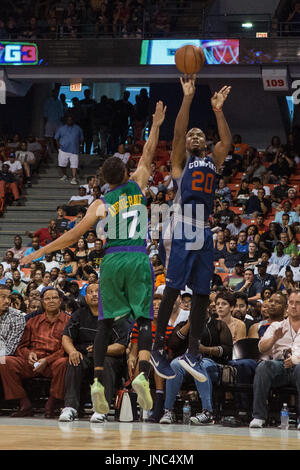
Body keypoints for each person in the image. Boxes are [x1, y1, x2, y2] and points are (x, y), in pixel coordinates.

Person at [21, 100, 167, 415]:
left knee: (105, 322)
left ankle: (98, 381)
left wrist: (40, 252)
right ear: (126, 172)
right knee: (143, 320)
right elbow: (149, 152)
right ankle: (142, 375)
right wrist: (155, 123)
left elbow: (72, 236)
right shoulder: (137, 185)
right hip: (138, 256)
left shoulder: (100, 203)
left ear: (104, 179)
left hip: (112, 259)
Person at [151, 75, 232, 382]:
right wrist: (187, 98)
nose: (195, 137)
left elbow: (226, 140)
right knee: (173, 286)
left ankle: (193, 353)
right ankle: (158, 347)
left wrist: (218, 110)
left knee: (202, 292)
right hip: (181, 225)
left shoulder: (214, 160)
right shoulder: (179, 163)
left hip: (203, 229)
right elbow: (179, 131)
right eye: (192, 136)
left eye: (200, 135)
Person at [58, 283, 131, 423]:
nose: (94, 294)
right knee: (74, 360)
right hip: (85, 354)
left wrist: (101, 350)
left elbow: (121, 346)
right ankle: (70, 407)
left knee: (105, 361)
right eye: (90, 292)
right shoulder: (79, 314)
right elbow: (66, 337)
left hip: (109, 356)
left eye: (98, 291)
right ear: (85, 297)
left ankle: (100, 410)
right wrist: (72, 351)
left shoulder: (116, 316)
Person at [0, 287, 70, 417]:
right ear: (42, 302)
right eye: (47, 299)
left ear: (60, 301)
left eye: (54, 298)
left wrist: (47, 360)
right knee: (5, 362)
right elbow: (21, 346)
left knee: (64, 363)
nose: (51, 301)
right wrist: (29, 355)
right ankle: (23, 402)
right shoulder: (33, 321)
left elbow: (66, 348)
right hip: (32, 361)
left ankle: (52, 402)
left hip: (53, 362)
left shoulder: (69, 321)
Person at [159, 308, 232, 425]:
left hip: (211, 363)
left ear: (206, 307)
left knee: (199, 366)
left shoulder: (218, 325)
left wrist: (206, 349)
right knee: (174, 364)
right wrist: (189, 324)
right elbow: (172, 344)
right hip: (186, 361)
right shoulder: (183, 324)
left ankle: (207, 412)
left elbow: (228, 349)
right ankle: (168, 411)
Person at [249, 291, 300, 429]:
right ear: (287, 306)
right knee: (264, 366)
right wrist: (274, 339)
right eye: (291, 303)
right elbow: (261, 349)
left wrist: (296, 359)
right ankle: (258, 416)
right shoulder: (276, 326)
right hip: (280, 367)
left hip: (299, 367)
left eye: (298, 303)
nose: (294, 306)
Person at [55, 114, 84, 185]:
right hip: (63, 149)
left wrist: (80, 145)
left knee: (74, 165)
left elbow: (81, 139)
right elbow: (56, 138)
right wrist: (58, 146)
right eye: (68, 120)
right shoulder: (61, 128)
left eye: (71, 120)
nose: (70, 121)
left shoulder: (78, 128)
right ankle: (65, 175)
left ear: (73, 120)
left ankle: (74, 178)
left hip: (74, 149)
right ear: (66, 121)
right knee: (62, 164)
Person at [0, 285, 25, 357]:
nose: (7, 301)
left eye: (9, 298)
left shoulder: (17, 317)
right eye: (3, 297)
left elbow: (9, 350)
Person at [44, 89, 64, 154]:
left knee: (58, 136)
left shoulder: (59, 102)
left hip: (58, 121)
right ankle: (52, 149)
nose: (56, 94)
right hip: (50, 120)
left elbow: (61, 113)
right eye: (55, 93)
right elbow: (45, 112)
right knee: (49, 136)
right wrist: (46, 121)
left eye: (57, 93)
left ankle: (58, 148)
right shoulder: (48, 101)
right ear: (52, 93)